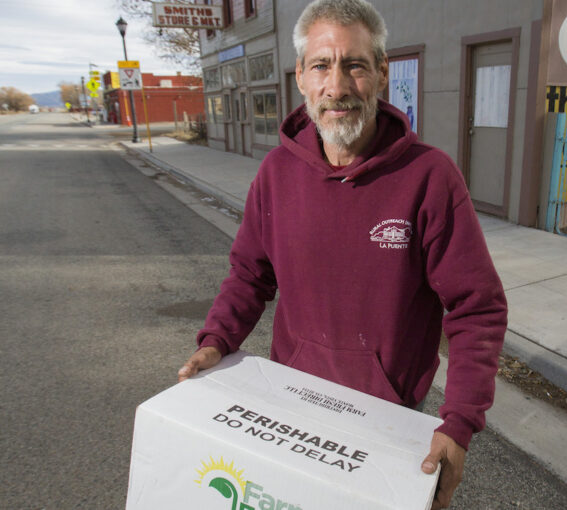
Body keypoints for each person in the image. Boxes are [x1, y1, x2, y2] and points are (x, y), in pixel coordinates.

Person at [178, 0, 507, 507]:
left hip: (389, 411)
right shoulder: (276, 175)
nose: (338, 86)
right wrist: (217, 339)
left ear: (380, 72)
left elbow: (476, 307)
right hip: (291, 400)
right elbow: (249, 274)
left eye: (354, 64)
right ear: (301, 78)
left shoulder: (429, 178)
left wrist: (458, 423)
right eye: (321, 66)